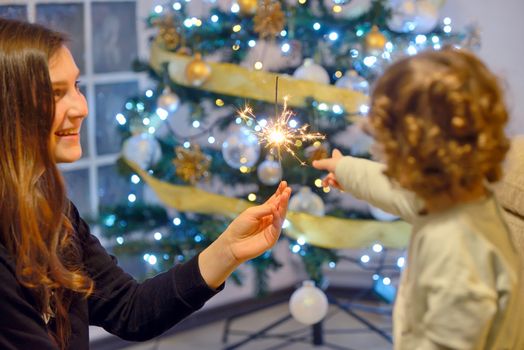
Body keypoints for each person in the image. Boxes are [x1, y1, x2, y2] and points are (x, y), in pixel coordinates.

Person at [0, 18, 291, 350]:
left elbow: (129, 309)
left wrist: (228, 251)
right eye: (55, 94)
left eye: (76, 87)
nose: (80, 108)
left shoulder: (52, 208)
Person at [313, 49, 523, 349]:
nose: (377, 151)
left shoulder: (454, 247)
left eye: (382, 143)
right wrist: (346, 169)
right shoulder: (467, 198)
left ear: (409, 152)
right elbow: (397, 191)